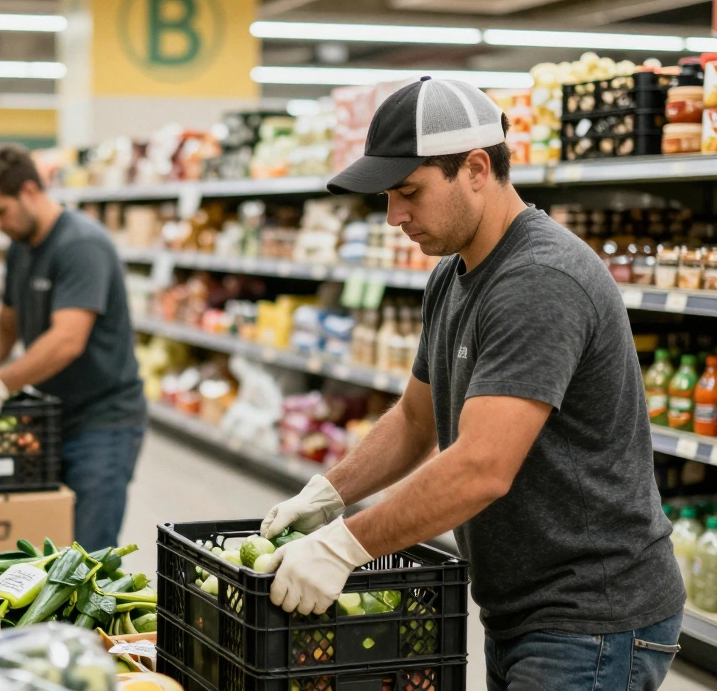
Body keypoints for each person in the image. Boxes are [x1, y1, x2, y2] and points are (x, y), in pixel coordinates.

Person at [261, 78, 685, 691]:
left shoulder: (538, 280)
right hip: (524, 606)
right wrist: (327, 492)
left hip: (592, 617)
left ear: (477, 168)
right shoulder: (454, 275)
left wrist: (343, 545)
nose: (395, 217)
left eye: (410, 192)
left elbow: (482, 466)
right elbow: (415, 420)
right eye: (387, 196)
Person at [0, 144, 147, 551]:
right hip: (52, 415)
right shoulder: (21, 247)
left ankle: (88, 620)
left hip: (103, 422)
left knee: (89, 551)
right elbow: (6, 324)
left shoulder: (80, 245)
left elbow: (67, 340)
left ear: (30, 190)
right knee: (46, 541)